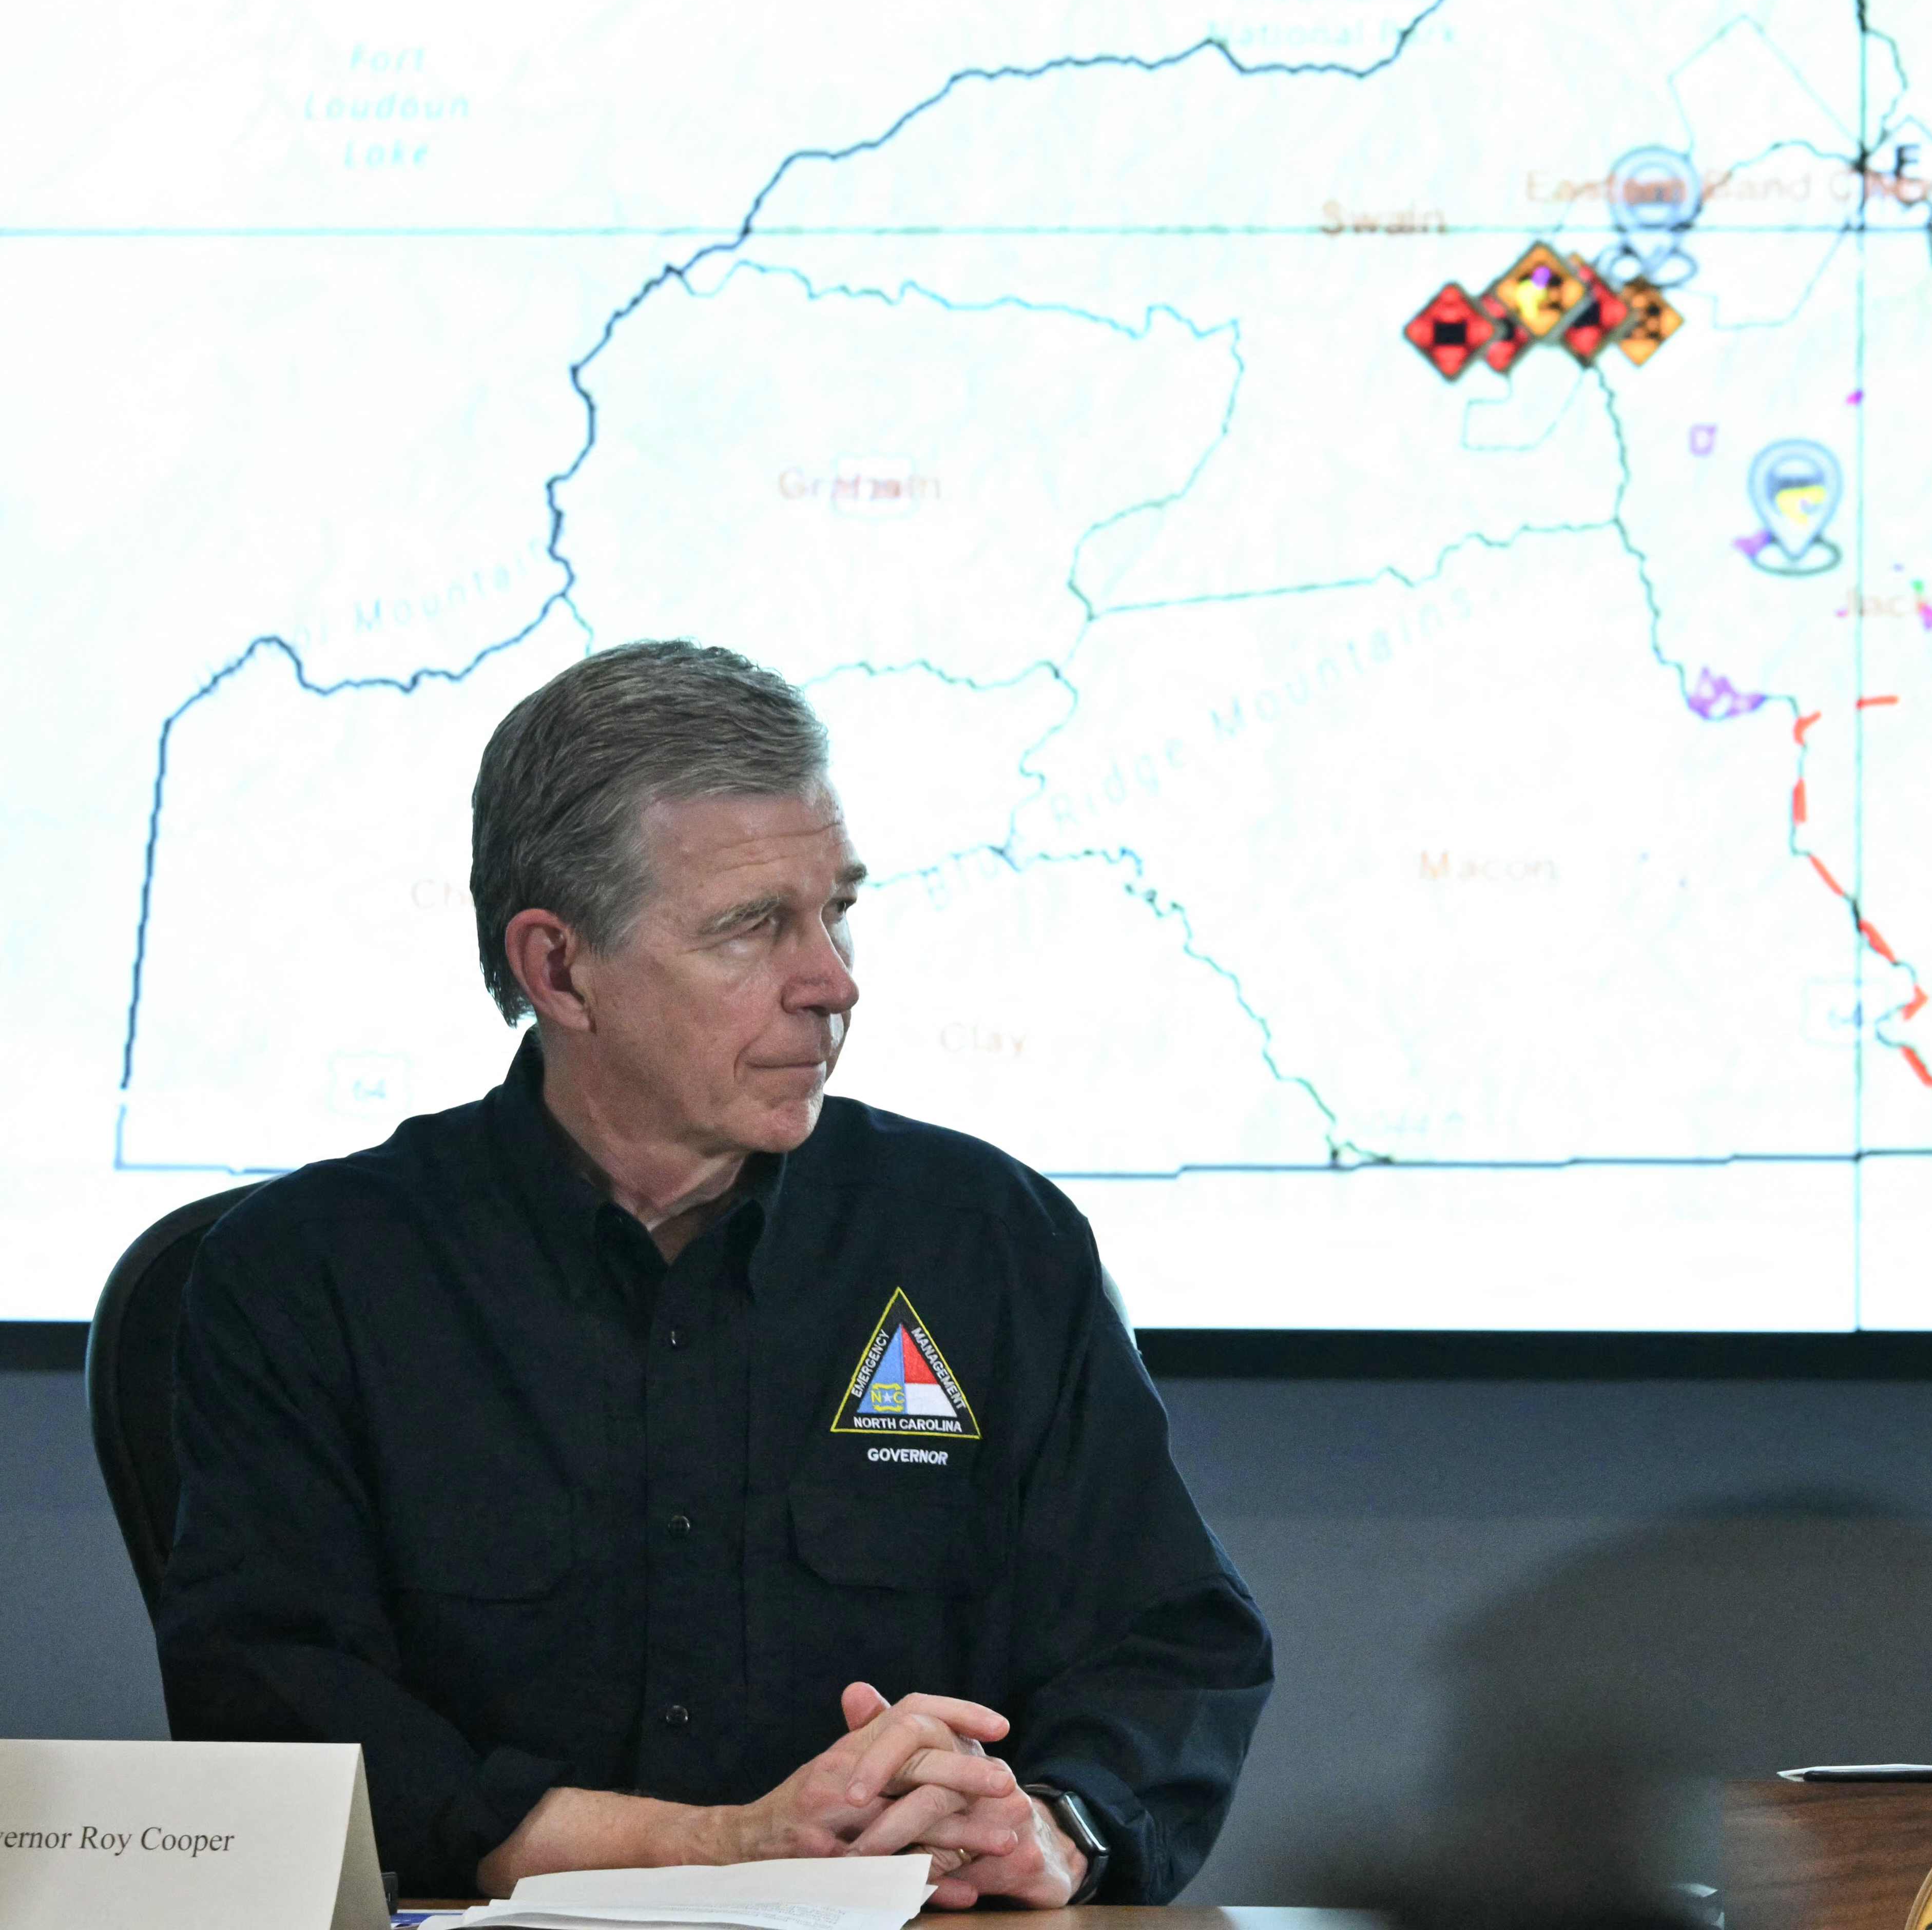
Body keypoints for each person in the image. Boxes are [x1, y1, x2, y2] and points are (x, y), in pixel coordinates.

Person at [157, 640, 1273, 1907]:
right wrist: (719, 1846)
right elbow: (273, 1707)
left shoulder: (986, 1238)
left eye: (836, 909)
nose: (833, 981)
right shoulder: (312, 1275)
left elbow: (1170, 1638)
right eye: (753, 927)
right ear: (558, 967)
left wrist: (1056, 1825)